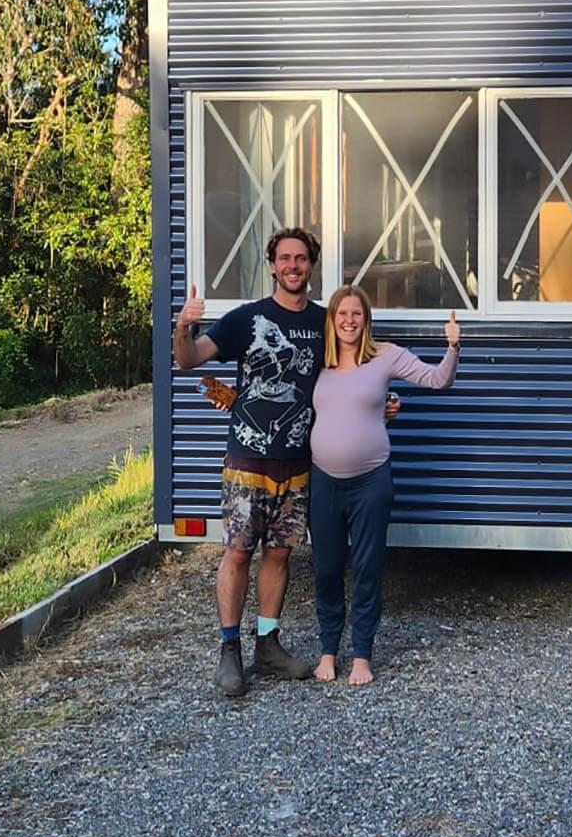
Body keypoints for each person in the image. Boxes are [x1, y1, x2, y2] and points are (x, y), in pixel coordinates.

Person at [173, 227, 326, 697]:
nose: (293, 266)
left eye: (301, 258)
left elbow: (353, 374)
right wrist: (183, 326)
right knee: (238, 552)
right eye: (285, 258)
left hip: (296, 463)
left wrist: (384, 402)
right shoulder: (247, 318)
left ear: (311, 266)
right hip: (247, 461)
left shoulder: (324, 323)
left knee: (279, 554)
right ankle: (229, 651)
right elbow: (189, 360)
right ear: (272, 264)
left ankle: (268, 643)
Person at [309, 285, 460, 686]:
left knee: (367, 568)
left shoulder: (384, 356)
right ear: (332, 319)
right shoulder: (315, 363)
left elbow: (437, 380)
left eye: (357, 314)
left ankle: (361, 655)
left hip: (371, 482)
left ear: (366, 319)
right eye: (342, 314)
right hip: (323, 481)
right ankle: (328, 651)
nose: (349, 321)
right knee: (325, 570)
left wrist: (453, 347)